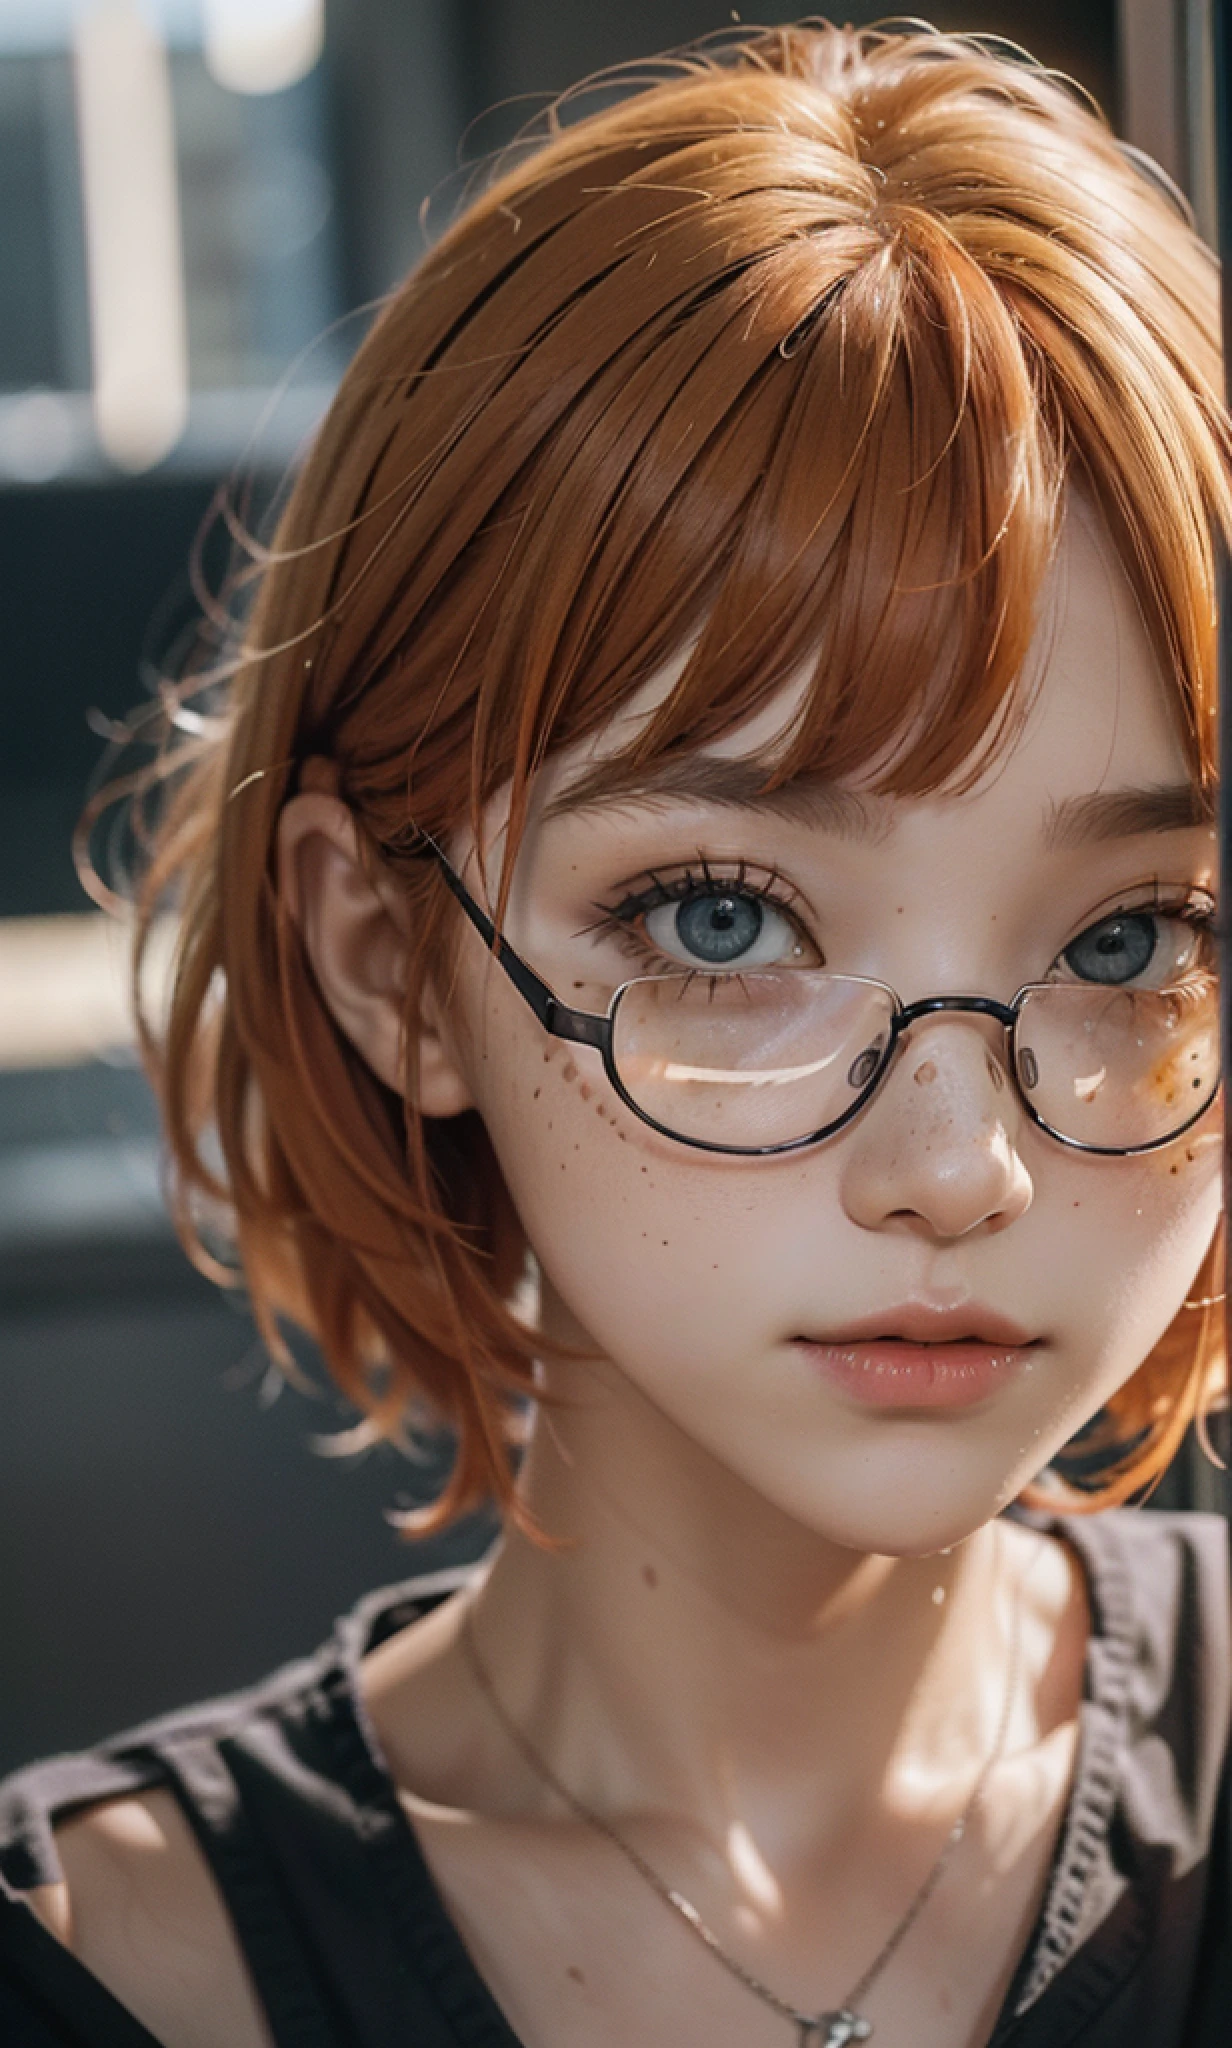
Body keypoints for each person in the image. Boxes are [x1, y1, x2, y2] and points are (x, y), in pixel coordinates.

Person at [1, 18, 1229, 2047]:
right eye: (723, 916)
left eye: (1130, 938)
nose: (956, 1161)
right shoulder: (114, 1973)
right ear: (391, 957)